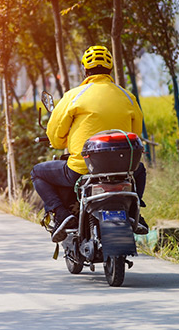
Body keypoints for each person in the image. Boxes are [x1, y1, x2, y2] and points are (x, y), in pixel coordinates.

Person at [31, 45, 148, 243]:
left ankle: (62, 215)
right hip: (124, 170)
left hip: (82, 170)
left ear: (85, 69)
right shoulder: (128, 97)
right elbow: (134, 134)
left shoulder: (74, 96)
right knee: (140, 170)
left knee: (37, 172)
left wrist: (60, 142)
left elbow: (55, 133)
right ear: (110, 69)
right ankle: (134, 212)